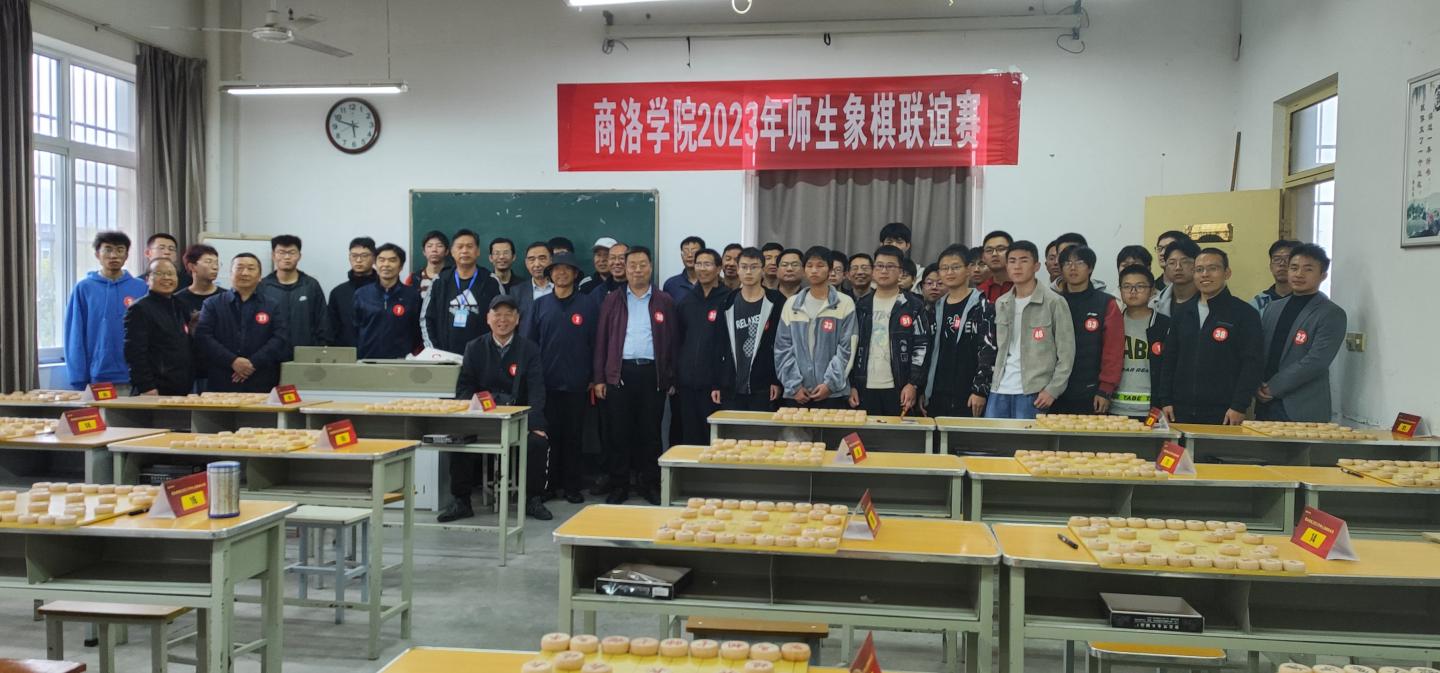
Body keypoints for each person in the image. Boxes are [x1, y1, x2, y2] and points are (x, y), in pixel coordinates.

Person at [446, 295, 552, 521]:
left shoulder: (529, 349)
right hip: (483, 419)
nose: (502, 320)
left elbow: (537, 391)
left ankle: (533, 499)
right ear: (488, 318)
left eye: (508, 315)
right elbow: (464, 389)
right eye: (497, 314)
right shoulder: (474, 348)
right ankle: (461, 501)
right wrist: (476, 411)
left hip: (519, 419)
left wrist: (535, 423)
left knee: (538, 442)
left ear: (517, 319)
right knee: (457, 440)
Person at [593, 246, 677, 505]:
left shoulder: (664, 300)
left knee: (650, 434)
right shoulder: (613, 300)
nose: (637, 270)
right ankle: (619, 485)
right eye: (632, 265)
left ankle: (649, 483)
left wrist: (670, 377)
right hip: (620, 374)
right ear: (625, 269)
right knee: (619, 433)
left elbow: (673, 341)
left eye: (642, 264)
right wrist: (600, 378)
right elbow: (601, 341)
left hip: (653, 374)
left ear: (650, 267)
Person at [1155, 248, 1263, 425]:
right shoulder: (1182, 313)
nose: (1205, 274)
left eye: (1213, 268)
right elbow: (1170, 358)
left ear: (1227, 273)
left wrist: (1239, 405)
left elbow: (1252, 364)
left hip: (1225, 411)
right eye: (1199, 269)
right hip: (1179, 409)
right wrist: (1165, 400)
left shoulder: (1244, 313)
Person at [529, 251, 599, 504]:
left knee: (573, 437)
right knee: (549, 437)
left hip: (577, 384)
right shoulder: (540, 305)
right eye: (556, 269)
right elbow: (531, 345)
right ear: (550, 275)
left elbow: (596, 343)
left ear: (575, 274)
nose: (561, 273)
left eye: (567, 269)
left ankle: (572, 486)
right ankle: (549, 486)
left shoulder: (589, 304)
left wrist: (594, 376)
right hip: (546, 384)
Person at [985, 241, 1075, 419]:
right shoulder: (1002, 302)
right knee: (991, 437)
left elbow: (1067, 353)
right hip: (999, 389)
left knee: (1027, 438)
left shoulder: (1054, 302)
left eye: (1024, 260)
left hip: (1034, 392)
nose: (1017, 266)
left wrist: (1053, 390)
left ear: (1036, 266)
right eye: (1012, 261)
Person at [1257, 244, 1346, 422]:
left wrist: (1274, 387)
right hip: (1264, 401)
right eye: (1294, 268)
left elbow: (1316, 361)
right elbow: (1260, 350)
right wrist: (1257, 384)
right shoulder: (1273, 307)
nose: (1299, 274)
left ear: (1323, 275)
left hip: (1301, 406)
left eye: (1308, 269)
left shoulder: (1331, 313)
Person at [848, 245, 927, 416]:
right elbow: (851, 347)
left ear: (900, 272)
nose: (884, 271)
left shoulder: (913, 305)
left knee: (898, 432)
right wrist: (852, 385)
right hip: (864, 387)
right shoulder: (861, 306)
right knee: (865, 432)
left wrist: (913, 384)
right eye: (879, 266)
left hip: (900, 387)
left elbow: (921, 347)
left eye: (890, 266)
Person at [775, 246, 857, 408]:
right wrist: (794, 385)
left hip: (833, 393)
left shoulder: (844, 303)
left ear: (830, 270)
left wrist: (830, 385)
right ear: (804, 270)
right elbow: (782, 348)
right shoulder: (792, 304)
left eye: (820, 265)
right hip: (797, 394)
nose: (814, 270)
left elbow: (847, 348)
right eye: (809, 265)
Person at [195, 253, 290, 393]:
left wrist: (252, 363)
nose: (245, 273)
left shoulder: (272, 305)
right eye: (239, 268)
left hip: (261, 377)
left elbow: (280, 338)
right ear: (230, 273)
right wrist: (233, 361)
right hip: (223, 377)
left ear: (260, 277)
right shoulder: (212, 304)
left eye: (251, 268)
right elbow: (203, 337)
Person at [65, 232, 148, 391]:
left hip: (136, 377)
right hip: (97, 377)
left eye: (120, 250)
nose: (114, 255)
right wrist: (78, 378)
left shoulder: (141, 287)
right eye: (108, 249)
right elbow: (75, 334)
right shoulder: (84, 288)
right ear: (97, 254)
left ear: (126, 255)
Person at [921, 245, 997, 418]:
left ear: (968, 269)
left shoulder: (983, 306)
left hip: (969, 393)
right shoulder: (935, 308)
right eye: (944, 268)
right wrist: (924, 390)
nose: (949, 272)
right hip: (937, 391)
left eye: (955, 267)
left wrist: (980, 390)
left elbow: (989, 350)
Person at [1055, 246, 1124, 415]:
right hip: (1054, 391)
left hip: (1092, 391)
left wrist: (1105, 389)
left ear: (1091, 267)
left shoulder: (1106, 303)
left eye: (1079, 262)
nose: (1072, 268)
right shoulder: (1053, 302)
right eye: (1067, 263)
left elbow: (1113, 350)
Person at [715, 247, 785, 411]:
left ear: (763, 270)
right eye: (744, 267)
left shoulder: (777, 301)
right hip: (731, 385)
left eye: (754, 267)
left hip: (764, 385)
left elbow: (783, 344)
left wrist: (777, 380)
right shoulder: (727, 302)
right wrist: (716, 383)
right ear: (738, 270)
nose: (748, 272)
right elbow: (718, 344)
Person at [674, 248, 730, 445]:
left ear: (718, 268)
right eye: (699, 264)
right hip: (687, 384)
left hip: (715, 386)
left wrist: (720, 382)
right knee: (690, 437)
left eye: (707, 264)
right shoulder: (686, 301)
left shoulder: (728, 299)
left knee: (714, 438)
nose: (702, 269)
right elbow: (679, 340)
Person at [422, 229, 505, 355]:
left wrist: (492, 352)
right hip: (444, 356)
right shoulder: (440, 281)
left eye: (469, 246)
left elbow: (502, 319)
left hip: (483, 356)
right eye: (460, 247)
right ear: (452, 252)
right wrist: (435, 352)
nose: (464, 251)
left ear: (477, 252)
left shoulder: (491, 281)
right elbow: (426, 319)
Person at [123, 258, 194, 396]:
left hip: (181, 385)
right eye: (159, 273)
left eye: (170, 273)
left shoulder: (179, 305)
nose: (166, 278)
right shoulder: (139, 309)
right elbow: (135, 353)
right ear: (147, 279)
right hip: (155, 388)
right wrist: (146, 386)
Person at [1110, 265, 1172, 418]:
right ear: (1120, 290)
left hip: (1152, 410)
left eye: (1140, 286)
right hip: (1114, 407)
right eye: (1127, 286)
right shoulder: (1111, 323)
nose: (1133, 291)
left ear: (1152, 291)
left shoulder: (1165, 325)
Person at [354, 243, 422, 359]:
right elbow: (354, 329)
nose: (386, 264)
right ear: (375, 264)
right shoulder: (362, 294)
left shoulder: (412, 295)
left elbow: (417, 331)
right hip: (367, 360)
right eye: (381, 260)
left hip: (401, 361)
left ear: (401, 266)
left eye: (392, 260)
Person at [260, 235, 328, 349]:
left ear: (299, 256)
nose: (287, 257)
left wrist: (320, 346)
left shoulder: (311, 285)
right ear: (273, 255)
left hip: (305, 353)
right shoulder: (263, 286)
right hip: (271, 354)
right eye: (281, 252)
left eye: (292, 252)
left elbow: (323, 320)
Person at [325, 236, 376, 348]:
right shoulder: (338, 292)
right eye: (354, 256)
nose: (358, 260)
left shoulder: (384, 290)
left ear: (374, 258)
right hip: (346, 353)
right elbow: (332, 329)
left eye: (364, 255)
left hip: (377, 353)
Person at [512, 241, 554, 338]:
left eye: (542, 258)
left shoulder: (562, 288)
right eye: (531, 259)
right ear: (526, 263)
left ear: (551, 260)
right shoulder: (517, 292)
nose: (537, 264)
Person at [175, 244, 223, 324]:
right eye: (208, 262)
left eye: (216, 263)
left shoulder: (226, 297)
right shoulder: (178, 299)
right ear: (192, 266)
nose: (215, 267)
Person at [1155, 237, 1201, 317]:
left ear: (1197, 264)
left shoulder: (1208, 301)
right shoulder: (1155, 303)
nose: (1178, 267)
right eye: (1172, 263)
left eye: (1185, 262)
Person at [1252, 239, 1298, 312]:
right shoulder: (1258, 302)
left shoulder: (1304, 299)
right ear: (1271, 266)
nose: (1282, 264)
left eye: (1287, 259)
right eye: (1277, 259)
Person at [662, 235, 705, 303]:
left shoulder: (712, 282)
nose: (689, 255)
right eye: (685, 252)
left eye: (694, 252)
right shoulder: (671, 284)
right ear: (681, 256)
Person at [408, 230, 450, 297]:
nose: (434, 250)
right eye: (429, 246)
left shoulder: (454, 276)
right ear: (424, 252)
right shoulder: (414, 278)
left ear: (447, 251)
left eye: (439, 246)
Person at [977, 230, 1014, 302]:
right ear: (983, 257)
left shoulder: (1023, 286)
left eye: (1001, 249)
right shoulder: (979, 292)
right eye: (989, 250)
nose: (994, 254)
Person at [1152, 230, 1187, 295]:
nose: (1162, 253)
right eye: (1160, 248)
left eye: (1168, 248)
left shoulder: (1196, 285)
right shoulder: (1152, 288)